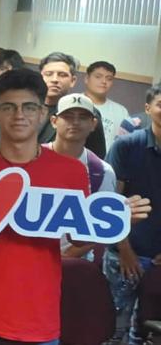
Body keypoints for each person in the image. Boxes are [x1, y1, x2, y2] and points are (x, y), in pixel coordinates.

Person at [0, 68, 150, 344]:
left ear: (42, 113)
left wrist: (118, 221)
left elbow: (79, 236)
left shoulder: (71, 171)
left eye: (29, 107)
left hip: (39, 318)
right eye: (8, 107)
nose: (19, 115)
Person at [103, 83, 161, 345]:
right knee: (113, 329)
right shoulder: (126, 146)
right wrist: (124, 248)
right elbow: (110, 204)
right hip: (124, 254)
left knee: (146, 333)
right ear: (148, 108)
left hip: (158, 259)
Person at [45, 94, 117, 260]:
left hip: (74, 262)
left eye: (83, 117)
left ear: (93, 124)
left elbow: (100, 226)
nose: (75, 122)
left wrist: (64, 257)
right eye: (68, 116)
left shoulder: (102, 171)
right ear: (54, 121)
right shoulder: (31, 160)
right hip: (27, 257)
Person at [37, 52, 107, 158]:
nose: (54, 79)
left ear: (73, 81)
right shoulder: (25, 109)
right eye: (49, 74)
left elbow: (96, 156)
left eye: (62, 75)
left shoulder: (87, 113)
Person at [82, 61, 130, 150]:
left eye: (109, 79)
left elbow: (124, 144)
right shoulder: (73, 102)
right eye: (98, 77)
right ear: (87, 79)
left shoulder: (121, 111)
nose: (104, 81)